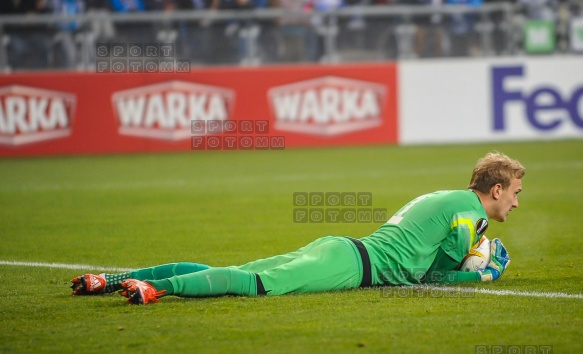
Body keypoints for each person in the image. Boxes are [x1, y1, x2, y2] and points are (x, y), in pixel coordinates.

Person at [71, 151, 523, 305]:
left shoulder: (448, 199)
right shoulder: (471, 215)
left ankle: (108, 280)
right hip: (352, 266)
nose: (517, 203)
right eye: (515, 193)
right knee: (253, 285)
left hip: (343, 249)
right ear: (496, 188)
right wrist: (483, 272)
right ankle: (157, 290)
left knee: (231, 269)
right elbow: (433, 278)